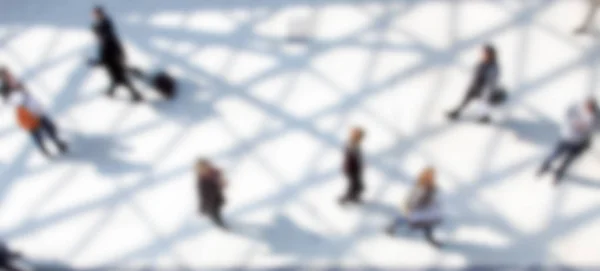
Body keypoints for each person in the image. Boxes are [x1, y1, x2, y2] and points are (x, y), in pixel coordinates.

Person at [0, 67, 68, 157]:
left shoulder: (15, 83)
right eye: (6, 75)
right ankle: (43, 148)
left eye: (9, 74)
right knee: (36, 132)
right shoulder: (6, 90)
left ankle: (57, 143)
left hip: (34, 108)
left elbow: (27, 94)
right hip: (26, 113)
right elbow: (11, 101)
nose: (10, 76)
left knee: (49, 127)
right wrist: (19, 97)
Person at [89, 6, 143, 102]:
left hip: (113, 58)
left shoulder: (105, 27)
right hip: (113, 57)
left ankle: (135, 95)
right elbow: (108, 43)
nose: (94, 16)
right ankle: (113, 92)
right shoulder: (104, 26)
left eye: (96, 14)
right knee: (117, 78)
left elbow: (108, 45)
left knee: (119, 78)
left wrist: (100, 61)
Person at [538, 98, 598, 184]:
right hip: (567, 138)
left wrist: (588, 127)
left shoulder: (595, 117)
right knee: (555, 154)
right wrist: (576, 123)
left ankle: (559, 172)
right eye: (588, 107)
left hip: (579, 143)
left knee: (568, 160)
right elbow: (567, 115)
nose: (589, 110)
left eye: (591, 109)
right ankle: (545, 165)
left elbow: (596, 129)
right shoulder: (576, 109)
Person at [386, 167, 443, 248]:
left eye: (432, 176)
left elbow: (432, 199)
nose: (432, 177)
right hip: (416, 210)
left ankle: (430, 239)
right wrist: (409, 207)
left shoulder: (431, 188)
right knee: (407, 220)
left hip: (425, 211)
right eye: (430, 175)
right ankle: (391, 228)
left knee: (427, 225)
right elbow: (412, 199)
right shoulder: (421, 187)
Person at [447, 44, 500, 123]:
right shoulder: (482, 64)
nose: (484, 55)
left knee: (483, 102)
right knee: (466, 98)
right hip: (475, 85)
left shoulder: (493, 67)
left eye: (486, 54)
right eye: (484, 53)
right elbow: (475, 72)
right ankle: (457, 112)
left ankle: (484, 117)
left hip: (485, 88)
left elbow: (491, 80)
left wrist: (487, 88)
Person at [196, 159, 227, 229]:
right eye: (202, 169)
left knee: (216, 210)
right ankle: (218, 222)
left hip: (216, 198)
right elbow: (202, 195)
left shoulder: (213, 173)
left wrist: (221, 181)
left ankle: (218, 221)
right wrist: (202, 207)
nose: (204, 170)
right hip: (210, 202)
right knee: (214, 213)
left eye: (205, 167)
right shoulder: (202, 180)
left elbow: (221, 183)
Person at [340, 127, 365, 205]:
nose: (361, 139)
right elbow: (351, 159)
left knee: (358, 186)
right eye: (360, 137)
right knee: (355, 186)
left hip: (354, 169)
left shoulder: (354, 144)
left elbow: (356, 158)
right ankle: (345, 199)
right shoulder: (352, 145)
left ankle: (354, 197)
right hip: (352, 170)